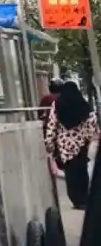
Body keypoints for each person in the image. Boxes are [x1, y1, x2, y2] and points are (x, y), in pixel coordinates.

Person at [44, 81, 98, 210]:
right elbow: (92, 121)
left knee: (70, 172)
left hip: (65, 146)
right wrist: (87, 137)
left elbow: (52, 124)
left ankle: (76, 199)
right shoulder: (83, 105)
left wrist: (49, 143)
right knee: (81, 170)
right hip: (81, 145)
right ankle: (84, 198)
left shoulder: (57, 104)